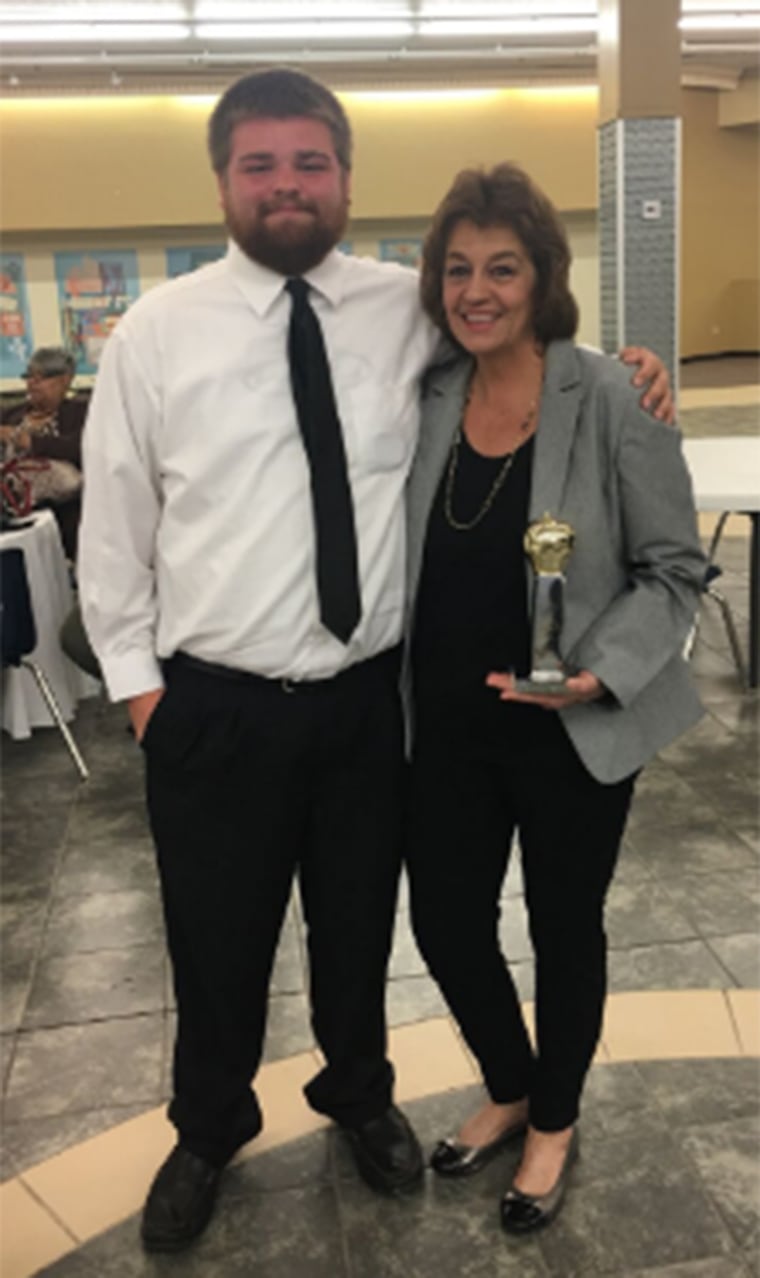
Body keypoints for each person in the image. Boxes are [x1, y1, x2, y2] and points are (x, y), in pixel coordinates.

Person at [78, 68, 673, 1254]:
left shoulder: (401, 308)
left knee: (356, 927)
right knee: (216, 935)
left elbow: (519, 329)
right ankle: (207, 1126)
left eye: (311, 163)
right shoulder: (154, 337)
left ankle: (357, 1095)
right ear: (225, 182)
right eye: (262, 165)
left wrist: (628, 371)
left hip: (366, 707)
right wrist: (147, 699)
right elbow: (112, 543)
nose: (287, 185)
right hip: (214, 706)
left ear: (346, 178)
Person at [404, 163, 705, 1234]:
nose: (476, 290)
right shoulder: (425, 393)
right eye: (457, 269)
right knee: (444, 921)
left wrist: (597, 673)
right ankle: (510, 1076)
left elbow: (675, 566)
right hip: (442, 724)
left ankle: (553, 1121)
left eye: (502, 268)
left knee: (562, 926)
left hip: (570, 726)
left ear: (542, 279)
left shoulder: (611, 393)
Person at [0, 347, 86, 557]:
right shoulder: (10, 414)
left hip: (65, 515)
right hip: (11, 514)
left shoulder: (82, 412)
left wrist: (31, 442)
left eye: (42, 377)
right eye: (29, 376)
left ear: (66, 380)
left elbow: (82, 447)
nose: (33, 383)